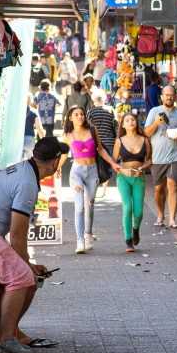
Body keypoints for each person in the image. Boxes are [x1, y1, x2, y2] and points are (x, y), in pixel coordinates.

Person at [0, 137, 69, 353]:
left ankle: (9, 332)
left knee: (28, 276)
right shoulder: (27, 182)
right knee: (21, 277)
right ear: (55, 161)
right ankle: (4, 341)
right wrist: (26, 264)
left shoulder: (24, 171)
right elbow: (18, 233)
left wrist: (28, 263)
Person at [63, 106, 115, 254]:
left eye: (81, 114)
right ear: (70, 118)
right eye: (76, 114)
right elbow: (63, 153)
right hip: (77, 172)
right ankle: (79, 241)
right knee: (79, 207)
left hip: (92, 171)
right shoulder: (68, 134)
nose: (80, 117)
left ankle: (88, 235)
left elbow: (101, 149)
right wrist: (56, 168)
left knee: (90, 205)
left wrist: (113, 163)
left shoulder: (92, 130)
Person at [145, 85, 177, 228]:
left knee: (173, 185)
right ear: (162, 97)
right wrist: (156, 123)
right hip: (158, 157)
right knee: (159, 189)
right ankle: (160, 215)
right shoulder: (154, 111)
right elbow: (146, 133)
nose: (169, 97)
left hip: (176, 155)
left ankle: (172, 219)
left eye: (172, 95)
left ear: (175, 97)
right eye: (166, 95)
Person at [111, 113, 152, 253]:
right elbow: (113, 162)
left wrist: (142, 168)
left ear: (136, 122)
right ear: (123, 125)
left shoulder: (145, 140)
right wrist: (122, 170)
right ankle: (128, 240)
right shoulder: (119, 141)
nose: (130, 122)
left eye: (133, 120)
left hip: (139, 178)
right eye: (127, 120)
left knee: (139, 211)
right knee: (127, 207)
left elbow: (150, 160)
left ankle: (136, 229)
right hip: (123, 178)